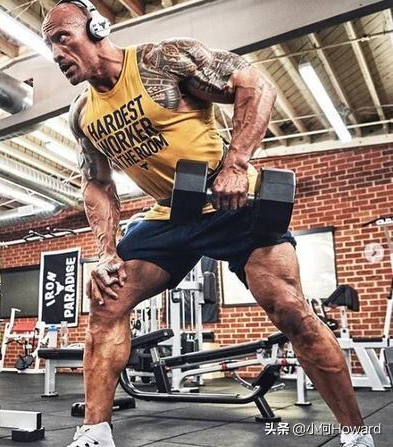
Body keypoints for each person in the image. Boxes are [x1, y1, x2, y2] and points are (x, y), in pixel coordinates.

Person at [42, 2, 374, 447]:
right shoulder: (83, 113)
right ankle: (95, 431)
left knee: (290, 308)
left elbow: (255, 84)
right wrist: (105, 252)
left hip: (232, 201)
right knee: (107, 299)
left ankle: (355, 433)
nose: (56, 53)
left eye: (62, 38)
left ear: (97, 28)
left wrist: (236, 164)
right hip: (169, 212)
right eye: (49, 45)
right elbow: (97, 184)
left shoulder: (162, 61)